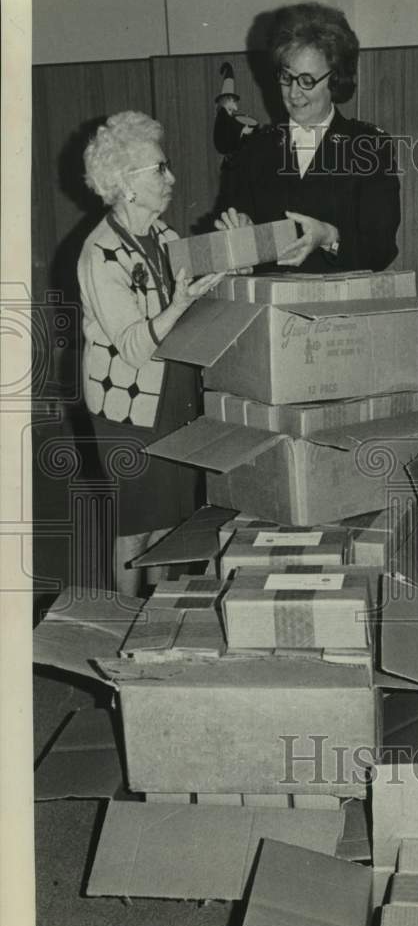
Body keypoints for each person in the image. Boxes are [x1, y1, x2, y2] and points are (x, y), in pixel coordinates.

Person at [78, 111, 223, 595]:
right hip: (128, 408)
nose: (172, 178)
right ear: (126, 184)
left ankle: (153, 625)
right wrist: (181, 303)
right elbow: (136, 348)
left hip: (175, 398)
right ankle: (123, 625)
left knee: (168, 527)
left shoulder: (165, 237)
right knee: (134, 528)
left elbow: (194, 307)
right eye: (160, 169)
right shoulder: (99, 254)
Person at [215, 1, 401, 273]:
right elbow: (232, 235)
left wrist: (329, 238)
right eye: (286, 77)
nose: (293, 93)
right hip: (271, 309)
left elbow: (381, 249)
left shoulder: (369, 146)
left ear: (335, 80)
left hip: (341, 310)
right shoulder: (254, 149)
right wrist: (237, 235)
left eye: (307, 81)